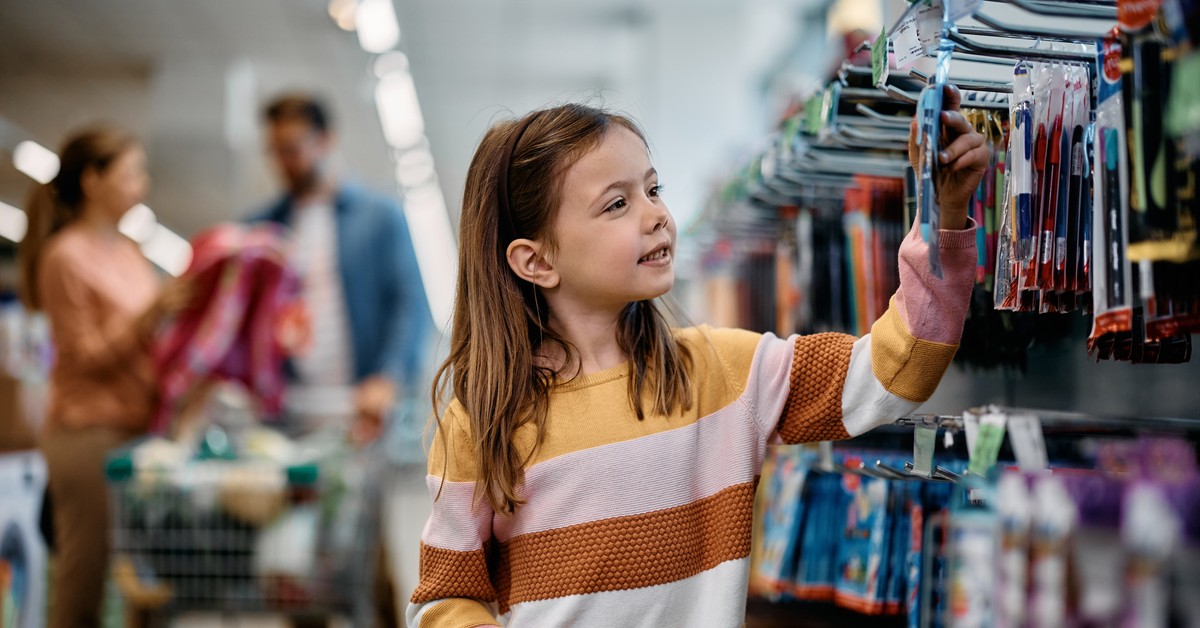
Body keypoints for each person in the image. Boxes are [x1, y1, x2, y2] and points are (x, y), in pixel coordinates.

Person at [406, 86, 989, 627]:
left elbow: (894, 371)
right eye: (616, 205)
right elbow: (446, 594)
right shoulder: (482, 422)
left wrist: (943, 218)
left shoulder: (725, 373)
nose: (655, 213)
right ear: (537, 262)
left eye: (653, 189)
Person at [251, 93, 432, 627]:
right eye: (275, 150)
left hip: (358, 411)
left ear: (324, 142)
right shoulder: (265, 229)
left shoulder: (377, 218)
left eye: (293, 147)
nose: (284, 161)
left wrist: (388, 376)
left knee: (358, 545)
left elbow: (410, 305)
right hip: (288, 413)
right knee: (295, 546)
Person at [20, 125, 189, 628]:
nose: (142, 183)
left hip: (138, 431)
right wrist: (147, 315)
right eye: (131, 172)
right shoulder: (65, 256)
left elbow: (144, 342)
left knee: (146, 582)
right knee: (84, 575)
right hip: (87, 435)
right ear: (93, 180)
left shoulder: (129, 252)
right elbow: (81, 355)